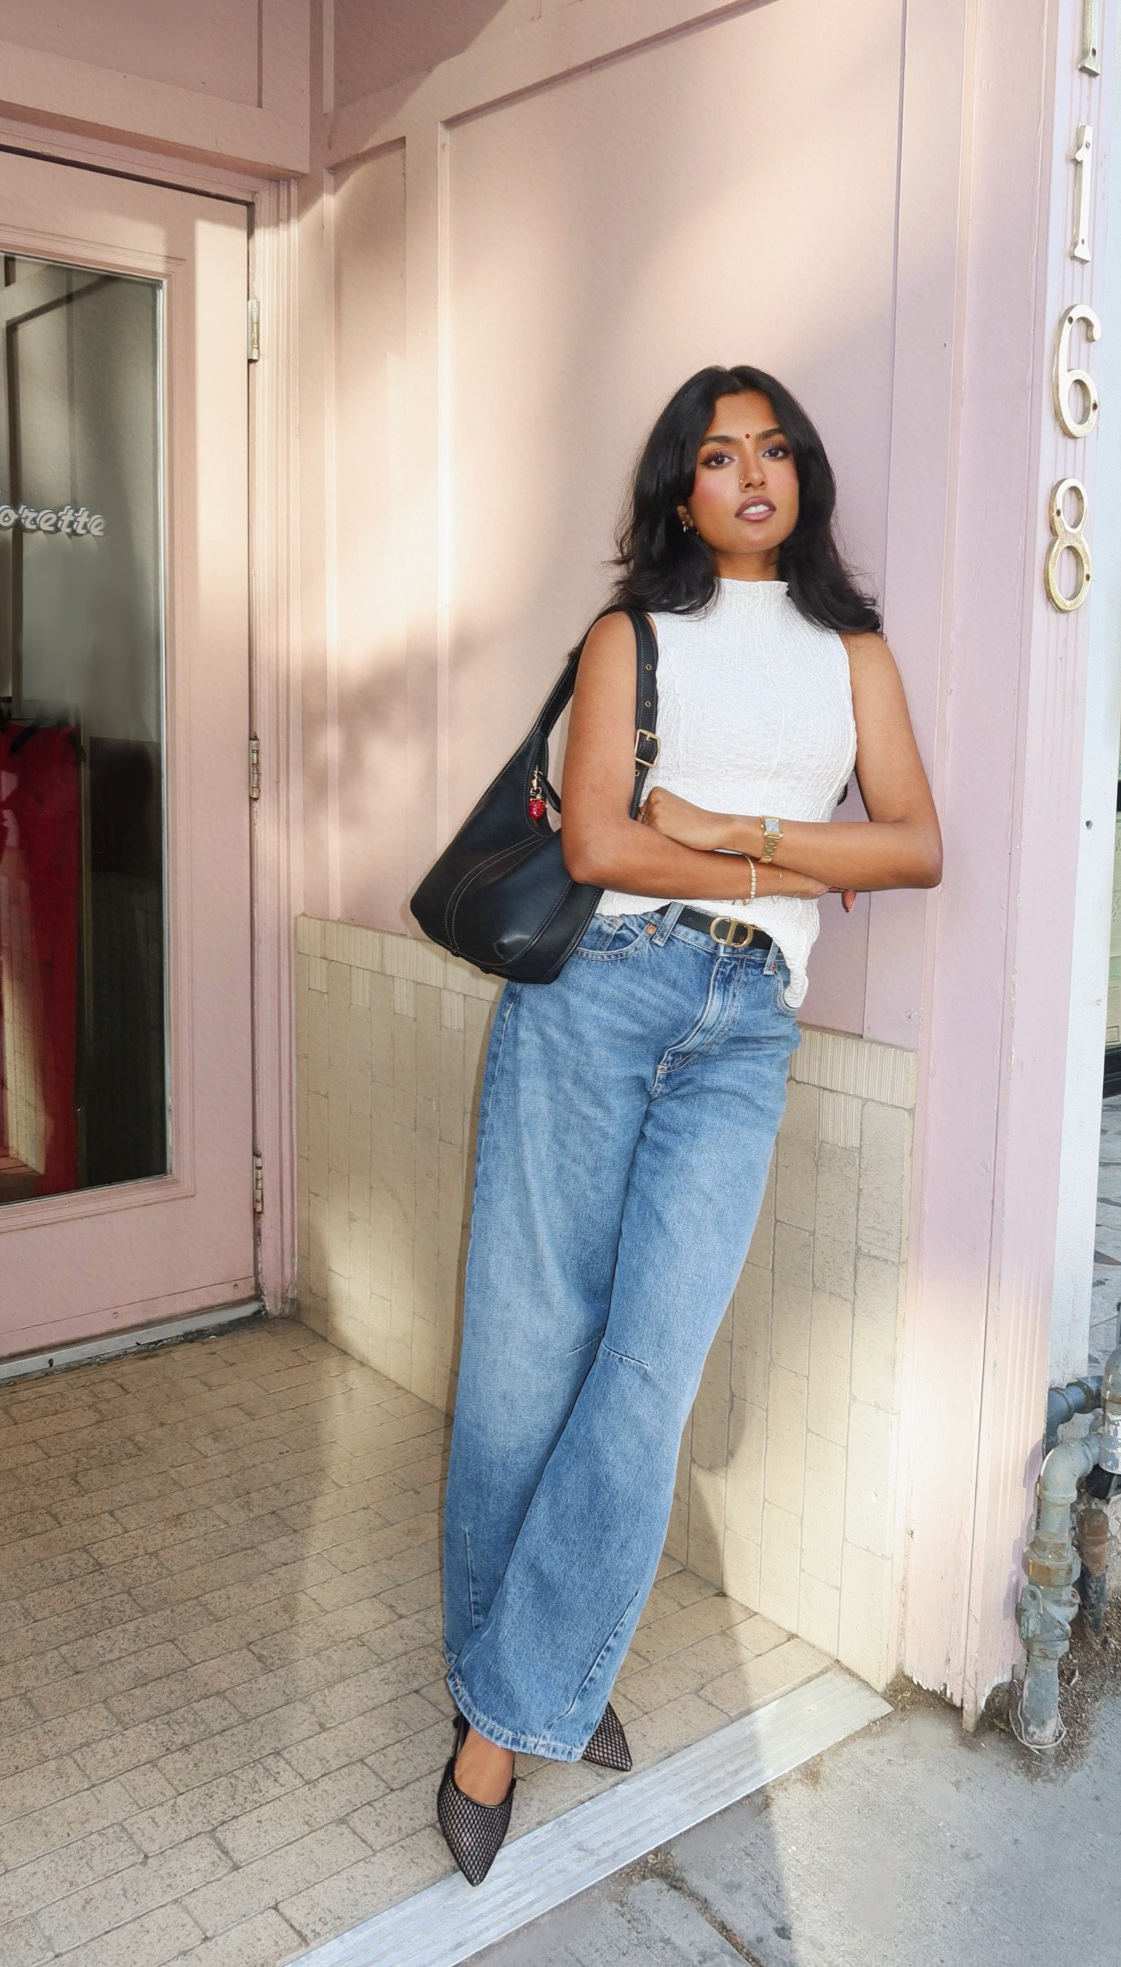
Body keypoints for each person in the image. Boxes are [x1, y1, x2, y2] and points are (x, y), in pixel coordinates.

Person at [435, 365, 942, 1883]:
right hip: (596, 997)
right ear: (678, 490)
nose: (753, 474)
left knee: (645, 1375)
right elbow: (597, 839)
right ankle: (519, 1687)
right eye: (719, 456)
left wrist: (727, 833)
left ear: (804, 477)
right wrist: (794, 868)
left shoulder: (853, 647)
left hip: (745, 1036)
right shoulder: (629, 636)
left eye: (774, 449)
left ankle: (506, 1703)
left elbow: (915, 843)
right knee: (526, 1355)